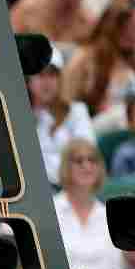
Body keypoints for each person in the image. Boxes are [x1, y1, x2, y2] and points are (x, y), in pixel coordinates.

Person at [55, 138, 135, 269]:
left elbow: (122, 266)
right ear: (66, 167)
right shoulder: (52, 211)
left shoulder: (111, 216)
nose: (87, 166)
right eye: (79, 161)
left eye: (92, 160)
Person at [60, 0, 135, 130]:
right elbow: (67, 100)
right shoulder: (85, 58)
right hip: (96, 126)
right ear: (111, 27)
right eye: (127, 28)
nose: (133, 34)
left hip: (133, 128)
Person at [30, 47, 95, 187]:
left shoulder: (77, 112)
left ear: (61, 79)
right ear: (29, 80)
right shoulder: (19, 116)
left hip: (73, 187)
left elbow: (86, 154)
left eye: (52, 75)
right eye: (40, 75)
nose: (46, 82)